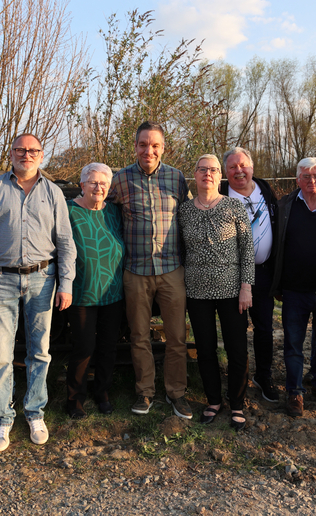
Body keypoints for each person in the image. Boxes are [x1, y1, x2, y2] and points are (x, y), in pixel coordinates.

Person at [0, 133, 76, 450]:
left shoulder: (53, 193)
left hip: (43, 279)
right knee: (0, 354)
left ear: (41, 155)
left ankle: (34, 412)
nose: (27, 155)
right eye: (20, 150)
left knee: (40, 351)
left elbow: (66, 242)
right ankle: (2, 418)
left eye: (33, 150)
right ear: (11, 154)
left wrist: (66, 283)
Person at [109, 121, 192, 419]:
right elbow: (106, 214)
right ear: (135, 147)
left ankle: (176, 392)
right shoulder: (120, 180)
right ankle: (145, 391)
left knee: (176, 336)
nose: (149, 150)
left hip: (171, 270)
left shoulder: (176, 178)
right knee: (139, 335)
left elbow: (188, 215)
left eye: (155, 145)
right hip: (136, 270)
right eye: (143, 144)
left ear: (163, 148)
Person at [180, 154, 254, 431]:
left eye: (213, 169)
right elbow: (181, 249)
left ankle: (237, 403)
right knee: (205, 349)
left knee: (237, 349)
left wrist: (246, 287)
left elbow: (247, 249)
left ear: (220, 175)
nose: (207, 174)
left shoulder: (234, 206)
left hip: (232, 290)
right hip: (197, 291)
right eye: (202, 169)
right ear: (195, 174)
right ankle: (213, 400)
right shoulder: (184, 211)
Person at [270, 157, 316, 417]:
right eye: (306, 176)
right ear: (297, 179)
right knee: (293, 343)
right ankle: (295, 391)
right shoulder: (285, 205)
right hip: (294, 288)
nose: (312, 181)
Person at [65, 162, 125, 419]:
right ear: (82, 185)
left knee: (108, 346)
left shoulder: (114, 212)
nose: (98, 187)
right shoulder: (68, 211)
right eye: (93, 182)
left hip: (113, 291)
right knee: (83, 347)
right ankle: (75, 399)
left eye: (104, 183)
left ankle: (102, 392)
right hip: (81, 291)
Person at [220, 147, 279, 403]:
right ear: (225, 172)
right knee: (237, 330)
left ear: (252, 167)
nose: (239, 171)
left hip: (263, 273)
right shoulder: (220, 194)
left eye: (243, 165)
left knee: (265, 328)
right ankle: (239, 380)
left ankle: (263, 376)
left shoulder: (266, 191)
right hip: (232, 275)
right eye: (232, 167)